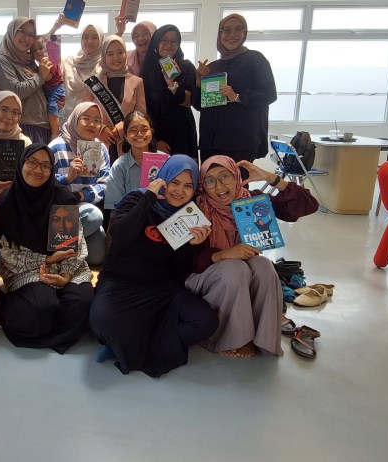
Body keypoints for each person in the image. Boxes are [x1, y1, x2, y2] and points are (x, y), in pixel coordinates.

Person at [90, 155, 217, 377]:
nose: (179, 191)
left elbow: (178, 269)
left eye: (188, 186)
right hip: (121, 283)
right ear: (162, 179)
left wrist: (192, 246)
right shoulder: (136, 199)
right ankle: (134, 340)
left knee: (205, 321)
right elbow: (119, 236)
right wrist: (148, 198)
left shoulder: (190, 216)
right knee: (104, 322)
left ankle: (133, 343)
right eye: (174, 182)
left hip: (161, 289)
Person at [189, 155, 319, 358]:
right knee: (235, 267)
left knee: (264, 266)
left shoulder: (251, 201)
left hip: (239, 276)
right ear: (202, 185)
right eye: (210, 180)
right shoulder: (196, 209)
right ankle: (229, 338)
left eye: (225, 176)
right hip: (204, 278)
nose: (219, 186)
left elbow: (309, 205)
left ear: (236, 177)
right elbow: (183, 261)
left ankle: (262, 338)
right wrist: (224, 254)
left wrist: (270, 177)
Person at [0, 144, 94, 353]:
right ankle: (9, 308)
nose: (38, 170)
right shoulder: (6, 204)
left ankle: (44, 329)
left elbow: (76, 242)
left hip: (66, 266)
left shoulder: (62, 197)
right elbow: (8, 256)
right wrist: (47, 260)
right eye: (32, 162)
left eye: (46, 165)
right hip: (26, 268)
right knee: (41, 306)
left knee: (81, 302)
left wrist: (65, 276)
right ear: (21, 163)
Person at [194, 14, 278, 162]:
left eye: (238, 29)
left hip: (240, 142)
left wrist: (237, 97)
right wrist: (199, 80)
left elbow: (269, 94)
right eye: (226, 30)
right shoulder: (212, 67)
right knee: (208, 177)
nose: (232, 35)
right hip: (210, 142)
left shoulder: (255, 59)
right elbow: (199, 105)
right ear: (220, 34)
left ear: (244, 33)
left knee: (239, 177)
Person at [48, 102, 110, 266]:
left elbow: (105, 184)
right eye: (86, 118)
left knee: (97, 257)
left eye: (97, 120)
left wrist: (81, 195)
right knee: (94, 216)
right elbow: (44, 184)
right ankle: (57, 247)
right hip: (58, 208)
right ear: (75, 119)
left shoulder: (100, 149)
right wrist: (66, 178)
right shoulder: (56, 147)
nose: (92, 124)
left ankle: (62, 246)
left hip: (83, 204)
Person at [139, 25, 199, 160]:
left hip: (182, 132)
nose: (169, 45)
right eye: (164, 40)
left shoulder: (186, 67)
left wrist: (172, 83)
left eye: (174, 41)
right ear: (156, 42)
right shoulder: (147, 70)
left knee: (184, 170)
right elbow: (144, 108)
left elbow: (192, 101)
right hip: (155, 133)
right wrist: (155, 139)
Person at [0, 17, 53, 145]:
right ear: (12, 32)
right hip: (21, 128)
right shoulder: (2, 61)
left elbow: (38, 90)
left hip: (42, 127)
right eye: (22, 32)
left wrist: (55, 99)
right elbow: (14, 92)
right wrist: (40, 77)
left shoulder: (28, 61)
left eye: (31, 35)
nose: (27, 38)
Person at [87, 35, 147, 161]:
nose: (116, 57)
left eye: (120, 52)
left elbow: (141, 115)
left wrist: (124, 126)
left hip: (127, 143)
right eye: (110, 54)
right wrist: (101, 129)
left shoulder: (137, 82)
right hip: (97, 142)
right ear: (103, 56)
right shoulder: (93, 83)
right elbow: (83, 113)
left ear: (126, 53)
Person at [103, 111, 165, 216]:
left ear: (151, 132)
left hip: (162, 218)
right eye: (133, 130)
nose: (139, 134)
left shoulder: (165, 161)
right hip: (132, 219)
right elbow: (115, 208)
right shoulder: (119, 166)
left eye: (144, 129)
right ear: (125, 135)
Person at [49, 16, 104, 125]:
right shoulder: (69, 62)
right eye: (85, 37)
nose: (89, 41)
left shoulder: (104, 65)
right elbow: (49, 53)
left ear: (101, 40)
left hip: (92, 125)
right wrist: (55, 28)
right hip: (66, 122)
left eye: (95, 37)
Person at [32, 35, 65, 139]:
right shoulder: (40, 65)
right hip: (48, 90)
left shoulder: (51, 61)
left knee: (52, 110)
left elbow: (47, 77)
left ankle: (55, 135)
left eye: (41, 48)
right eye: (34, 50)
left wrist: (34, 75)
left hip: (55, 89)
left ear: (47, 48)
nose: (38, 52)